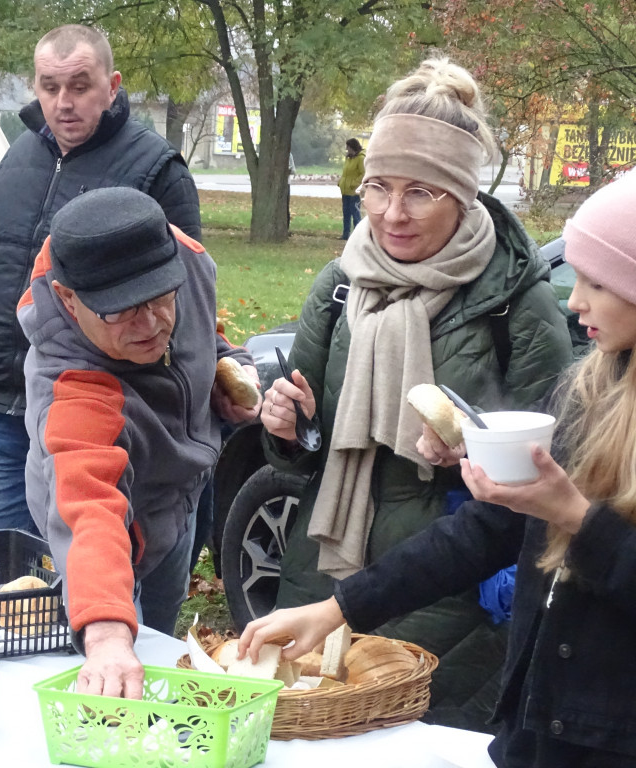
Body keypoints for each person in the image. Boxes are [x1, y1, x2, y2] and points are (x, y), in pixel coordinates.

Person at [241, 172, 636, 768]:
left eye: (598, 282)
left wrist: (576, 518)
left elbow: (581, 533)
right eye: (575, 276)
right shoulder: (588, 388)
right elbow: (484, 531)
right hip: (539, 729)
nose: (575, 300)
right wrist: (335, 610)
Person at [256, 58, 573, 730]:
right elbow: (301, 455)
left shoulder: (517, 307)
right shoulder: (339, 285)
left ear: (462, 194)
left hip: (447, 586)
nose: (391, 214)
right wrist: (290, 429)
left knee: (410, 740)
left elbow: (553, 477)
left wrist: (470, 455)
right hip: (323, 568)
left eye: (420, 193)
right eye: (377, 187)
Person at [0, 24, 202, 549]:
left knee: (88, 567)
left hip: (102, 411)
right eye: (49, 87)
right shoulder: (18, 158)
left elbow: (186, 301)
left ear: (112, 86)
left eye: (80, 86)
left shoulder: (157, 169)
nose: (63, 102)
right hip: (6, 404)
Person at [20, 187, 257, 697]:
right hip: (107, 529)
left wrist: (229, 367)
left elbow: (204, 337)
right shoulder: (73, 385)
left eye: (159, 299)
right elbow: (90, 510)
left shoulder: (187, 263)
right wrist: (106, 635)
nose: (151, 325)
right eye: (121, 312)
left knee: (158, 643)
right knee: (120, 658)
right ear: (68, 298)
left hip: (180, 495)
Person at [338, 138, 365, 240]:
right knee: (346, 213)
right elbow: (346, 173)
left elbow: (363, 173)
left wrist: (354, 184)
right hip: (345, 190)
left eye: (348, 147)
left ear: (352, 147)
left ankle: (358, 236)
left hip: (354, 191)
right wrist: (341, 182)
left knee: (355, 213)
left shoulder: (361, 158)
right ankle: (345, 234)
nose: (346, 149)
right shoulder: (348, 158)